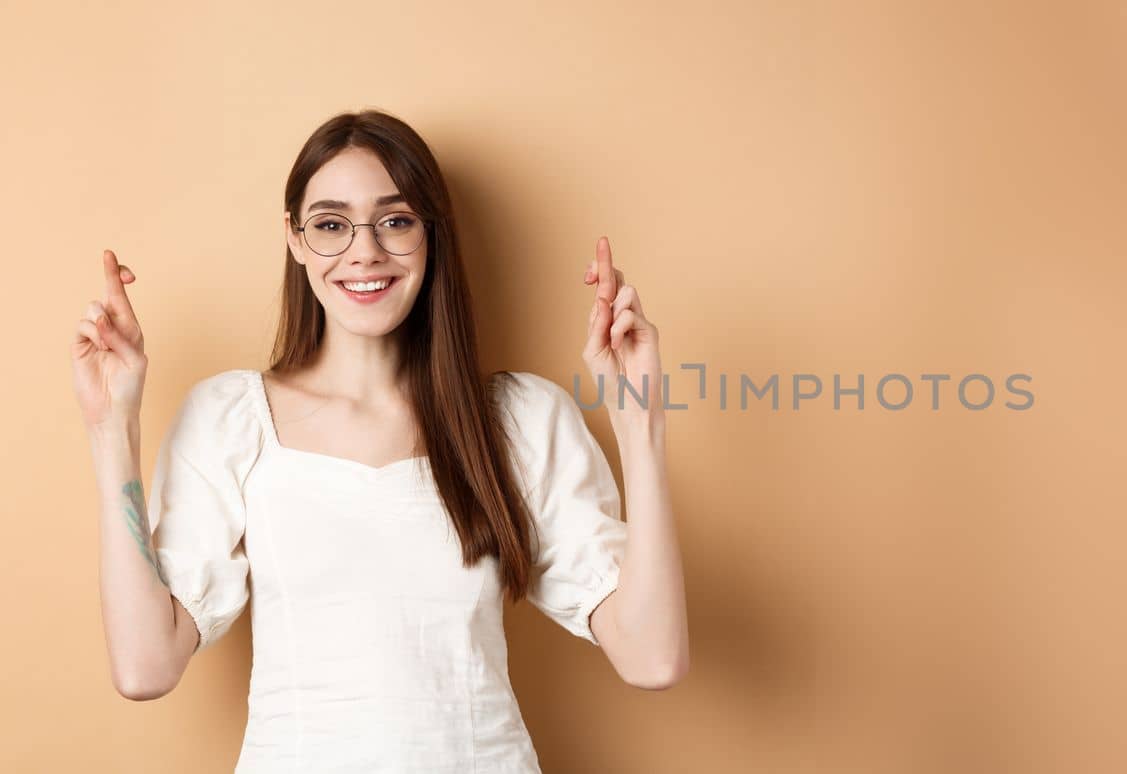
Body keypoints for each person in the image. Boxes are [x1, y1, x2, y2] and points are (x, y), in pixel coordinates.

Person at [70, 109, 689, 772]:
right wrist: (113, 429)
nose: (364, 252)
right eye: (331, 224)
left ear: (431, 235)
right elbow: (145, 666)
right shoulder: (231, 419)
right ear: (295, 238)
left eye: (395, 221)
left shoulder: (519, 419)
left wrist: (640, 424)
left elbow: (652, 657)